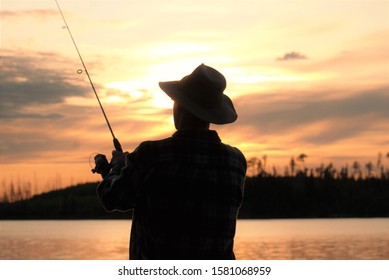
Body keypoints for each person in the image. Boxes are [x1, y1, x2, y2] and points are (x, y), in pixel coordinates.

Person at [94, 64, 247, 260]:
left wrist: (116, 166)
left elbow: (112, 198)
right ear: (213, 112)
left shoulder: (152, 155)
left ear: (179, 106)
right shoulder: (235, 162)